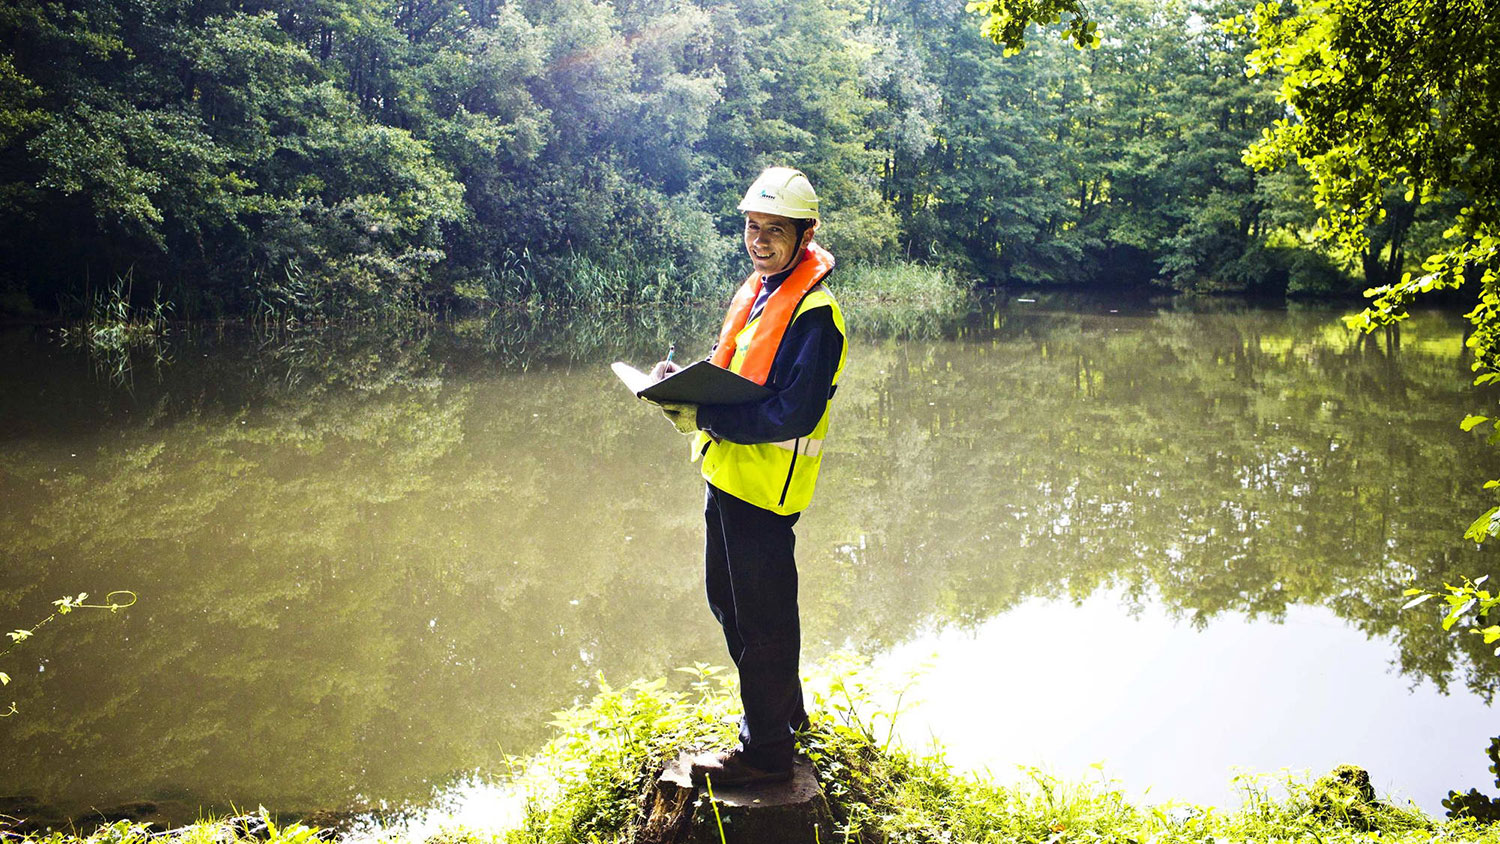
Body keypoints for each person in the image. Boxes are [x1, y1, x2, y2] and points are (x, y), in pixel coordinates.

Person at [651, 166, 848, 787]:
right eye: (752, 227)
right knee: (727, 601)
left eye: (774, 230)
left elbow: (792, 410)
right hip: (727, 472)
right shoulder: (763, 291)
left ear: (805, 233)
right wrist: (682, 380)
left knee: (761, 618)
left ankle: (766, 753)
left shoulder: (814, 313)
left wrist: (702, 409)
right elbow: (741, 375)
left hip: (765, 489)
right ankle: (786, 713)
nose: (759, 240)